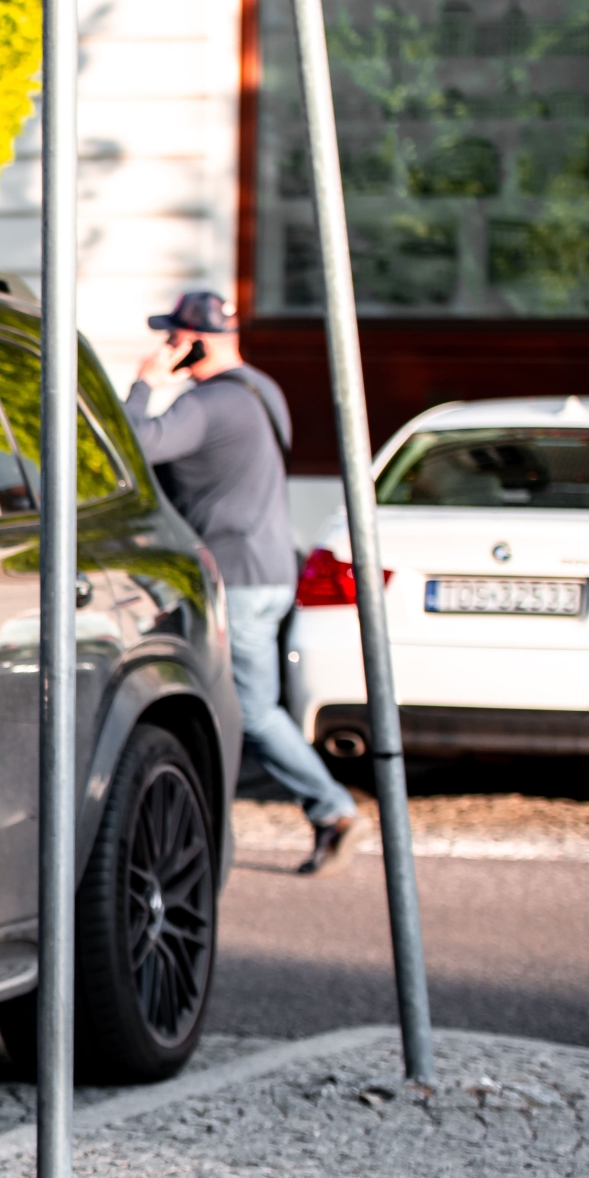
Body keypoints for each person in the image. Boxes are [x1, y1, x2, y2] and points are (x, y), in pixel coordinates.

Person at [126, 291, 360, 875]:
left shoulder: (208, 405)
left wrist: (144, 383)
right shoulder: (262, 389)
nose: (165, 347)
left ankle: (332, 808)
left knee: (250, 710)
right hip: (270, 568)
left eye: (173, 337)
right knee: (234, 703)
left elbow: (135, 443)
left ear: (195, 342)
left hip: (238, 579)